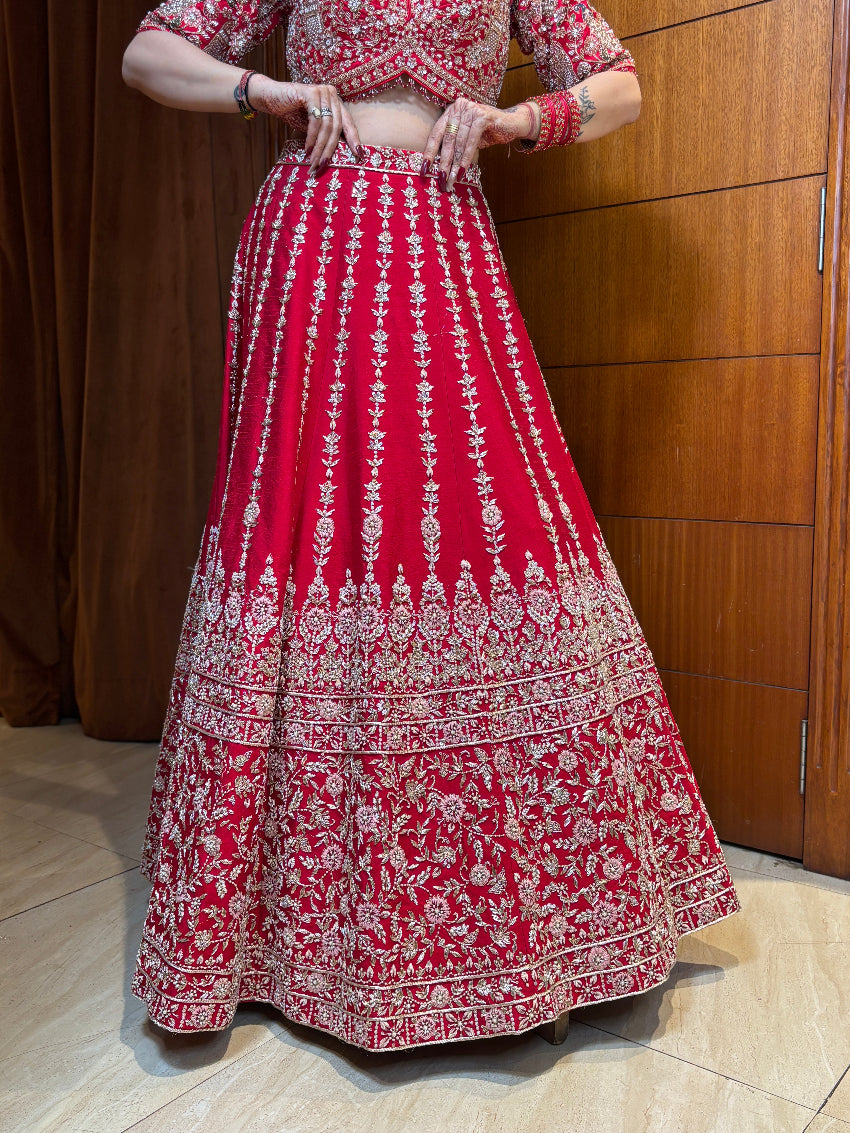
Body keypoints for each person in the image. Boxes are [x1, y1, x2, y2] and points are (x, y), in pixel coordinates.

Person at [123, 0, 740, 1053]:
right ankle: (286, 938)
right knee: (304, 528)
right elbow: (148, 51)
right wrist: (258, 89)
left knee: (475, 523)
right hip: (313, 240)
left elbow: (618, 84)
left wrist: (511, 124)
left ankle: (549, 932)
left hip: (443, 242)